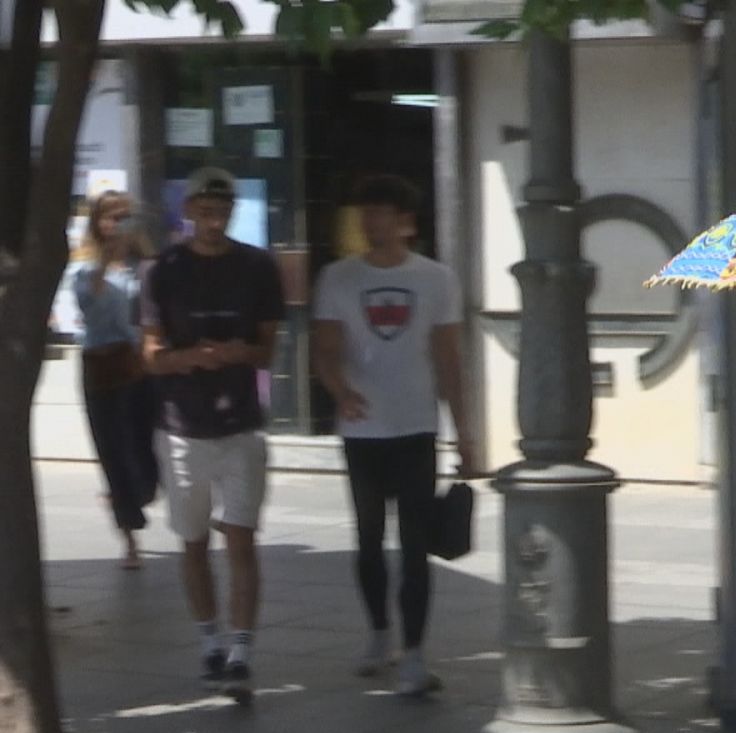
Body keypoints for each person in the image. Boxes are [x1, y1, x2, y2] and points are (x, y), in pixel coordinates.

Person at [311, 174, 476, 697]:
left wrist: (464, 431)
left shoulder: (436, 279)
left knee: (414, 545)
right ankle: (379, 632)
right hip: (363, 429)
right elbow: (323, 347)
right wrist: (340, 390)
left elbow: (448, 357)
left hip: (416, 425)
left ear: (405, 222)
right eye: (366, 211)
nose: (370, 221)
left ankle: (415, 654)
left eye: (381, 211)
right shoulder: (338, 277)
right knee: (366, 539)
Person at [141, 167, 285, 699]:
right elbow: (150, 356)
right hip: (181, 425)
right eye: (203, 208)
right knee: (193, 540)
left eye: (221, 208)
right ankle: (209, 641)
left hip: (241, 422)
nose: (212, 217)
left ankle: (242, 648)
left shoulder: (257, 266)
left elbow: (268, 348)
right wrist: (190, 358)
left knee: (242, 537)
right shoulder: (162, 270)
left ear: (231, 211)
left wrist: (239, 353)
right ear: (188, 210)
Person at [73, 190, 160, 569]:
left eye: (123, 217)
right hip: (103, 368)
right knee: (113, 453)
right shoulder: (85, 268)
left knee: (147, 454)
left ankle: (130, 497)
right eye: (109, 217)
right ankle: (130, 540)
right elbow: (87, 306)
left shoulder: (145, 267)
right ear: (96, 223)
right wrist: (106, 262)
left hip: (142, 367)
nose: (116, 225)